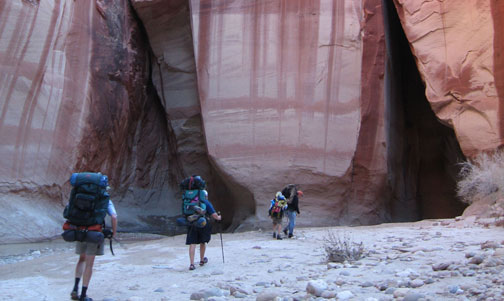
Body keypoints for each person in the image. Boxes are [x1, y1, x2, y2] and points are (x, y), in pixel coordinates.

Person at [71, 198, 117, 301]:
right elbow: (114, 216)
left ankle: (75, 288)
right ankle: (83, 295)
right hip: (95, 233)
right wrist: (113, 232)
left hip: (80, 231)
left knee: (81, 259)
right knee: (89, 264)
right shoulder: (105, 198)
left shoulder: (81, 194)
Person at [186, 189, 221, 270]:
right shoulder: (206, 202)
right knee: (203, 242)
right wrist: (219, 217)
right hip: (203, 224)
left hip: (192, 224)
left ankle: (191, 264)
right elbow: (214, 215)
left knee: (192, 243)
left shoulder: (190, 202)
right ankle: (201, 260)